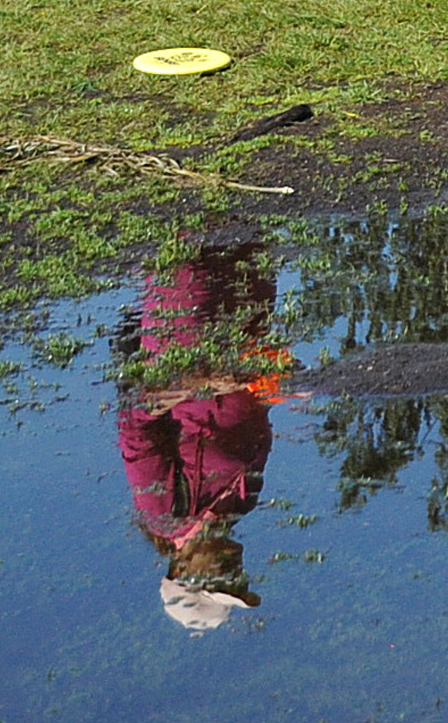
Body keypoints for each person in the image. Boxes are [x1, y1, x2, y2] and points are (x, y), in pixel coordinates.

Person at [116, 242, 285, 633]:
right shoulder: (242, 504)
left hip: (188, 336)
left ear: (181, 569)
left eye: (220, 582)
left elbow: (134, 427)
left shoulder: (165, 512)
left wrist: (200, 383)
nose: (235, 573)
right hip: (245, 336)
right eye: (237, 583)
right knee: (248, 233)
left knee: (187, 237)